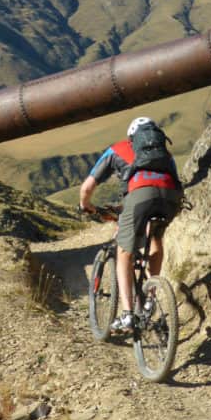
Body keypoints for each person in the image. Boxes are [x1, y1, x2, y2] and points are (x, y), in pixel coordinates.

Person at [79, 116, 182, 332]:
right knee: (155, 238)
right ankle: (150, 296)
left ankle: (127, 314)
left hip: (139, 197)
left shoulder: (117, 149)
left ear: (131, 137)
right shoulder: (165, 153)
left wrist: (86, 205)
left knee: (124, 252)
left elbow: (87, 188)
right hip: (171, 198)